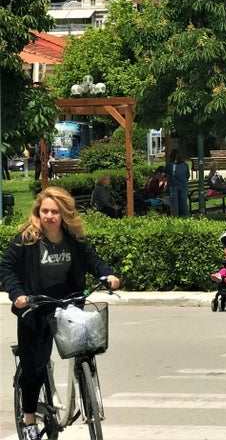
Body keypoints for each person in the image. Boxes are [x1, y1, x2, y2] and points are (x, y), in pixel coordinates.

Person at [1, 187, 120, 440]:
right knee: (34, 365)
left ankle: (85, 387)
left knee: (86, 345)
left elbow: (93, 261)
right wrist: (18, 295)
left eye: (55, 211)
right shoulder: (27, 238)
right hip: (35, 306)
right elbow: (6, 268)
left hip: (67, 303)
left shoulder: (73, 238)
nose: (49, 216)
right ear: (38, 212)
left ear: (64, 214)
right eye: (44, 211)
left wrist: (107, 274)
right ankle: (30, 416)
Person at [165, 149, 190, 217]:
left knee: (174, 204)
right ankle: (186, 216)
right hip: (183, 186)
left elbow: (165, 173)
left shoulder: (170, 165)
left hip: (173, 187)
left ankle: (176, 218)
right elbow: (187, 176)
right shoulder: (185, 165)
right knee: (184, 203)